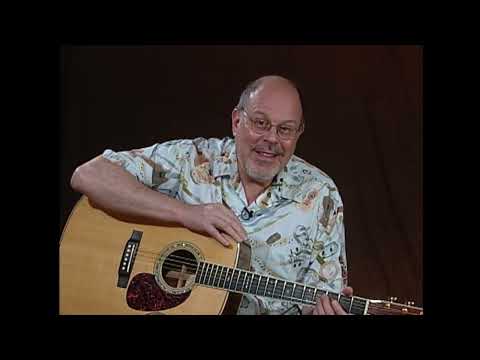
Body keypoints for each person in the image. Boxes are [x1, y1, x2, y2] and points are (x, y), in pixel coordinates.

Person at [70, 75, 353, 315]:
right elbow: (88, 174)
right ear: (236, 121)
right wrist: (186, 213)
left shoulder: (320, 195)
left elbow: (323, 297)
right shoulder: (193, 160)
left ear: (299, 133)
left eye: (285, 129)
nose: (271, 139)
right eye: (260, 123)